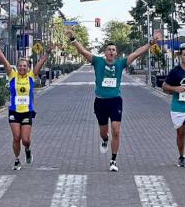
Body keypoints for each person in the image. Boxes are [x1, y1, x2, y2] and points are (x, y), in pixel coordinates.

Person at [67, 30, 161, 172]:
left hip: (115, 101)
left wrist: (150, 42)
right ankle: (105, 139)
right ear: (105, 53)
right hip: (100, 102)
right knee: (103, 132)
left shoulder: (120, 63)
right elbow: (83, 52)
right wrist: (73, 39)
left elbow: (137, 53)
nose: (111, 52)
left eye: (113, 50)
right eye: (109, 50)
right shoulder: (97, 61)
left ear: (116, 53)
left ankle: (113, 160)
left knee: (116, 131)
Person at [0, 40, 52, 170]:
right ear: (17, 67)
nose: (22, 68)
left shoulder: (31, 76)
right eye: (20, 66)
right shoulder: (12, 75)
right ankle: (17, 159)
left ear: (28, 67)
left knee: (25, 139)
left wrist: (47, 52)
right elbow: (4, 61)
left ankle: (28, 149)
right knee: (16, 137)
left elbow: (40, 63)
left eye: (25, 66)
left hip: (27, 111)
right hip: (14, 111)